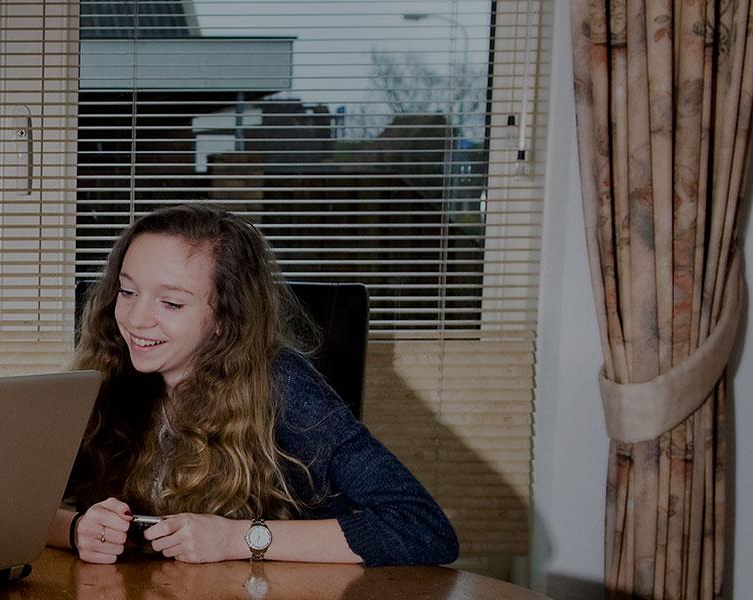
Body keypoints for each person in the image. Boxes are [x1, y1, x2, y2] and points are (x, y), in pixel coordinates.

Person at [49, 204, 457, 566]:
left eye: (171, 303)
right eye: (127, 291)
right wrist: (77, 528)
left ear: (225, 318)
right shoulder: (108, 372)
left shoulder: (283, 386)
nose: (136, 319)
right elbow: (17, 508)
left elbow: (422, 529)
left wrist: (236, 538)